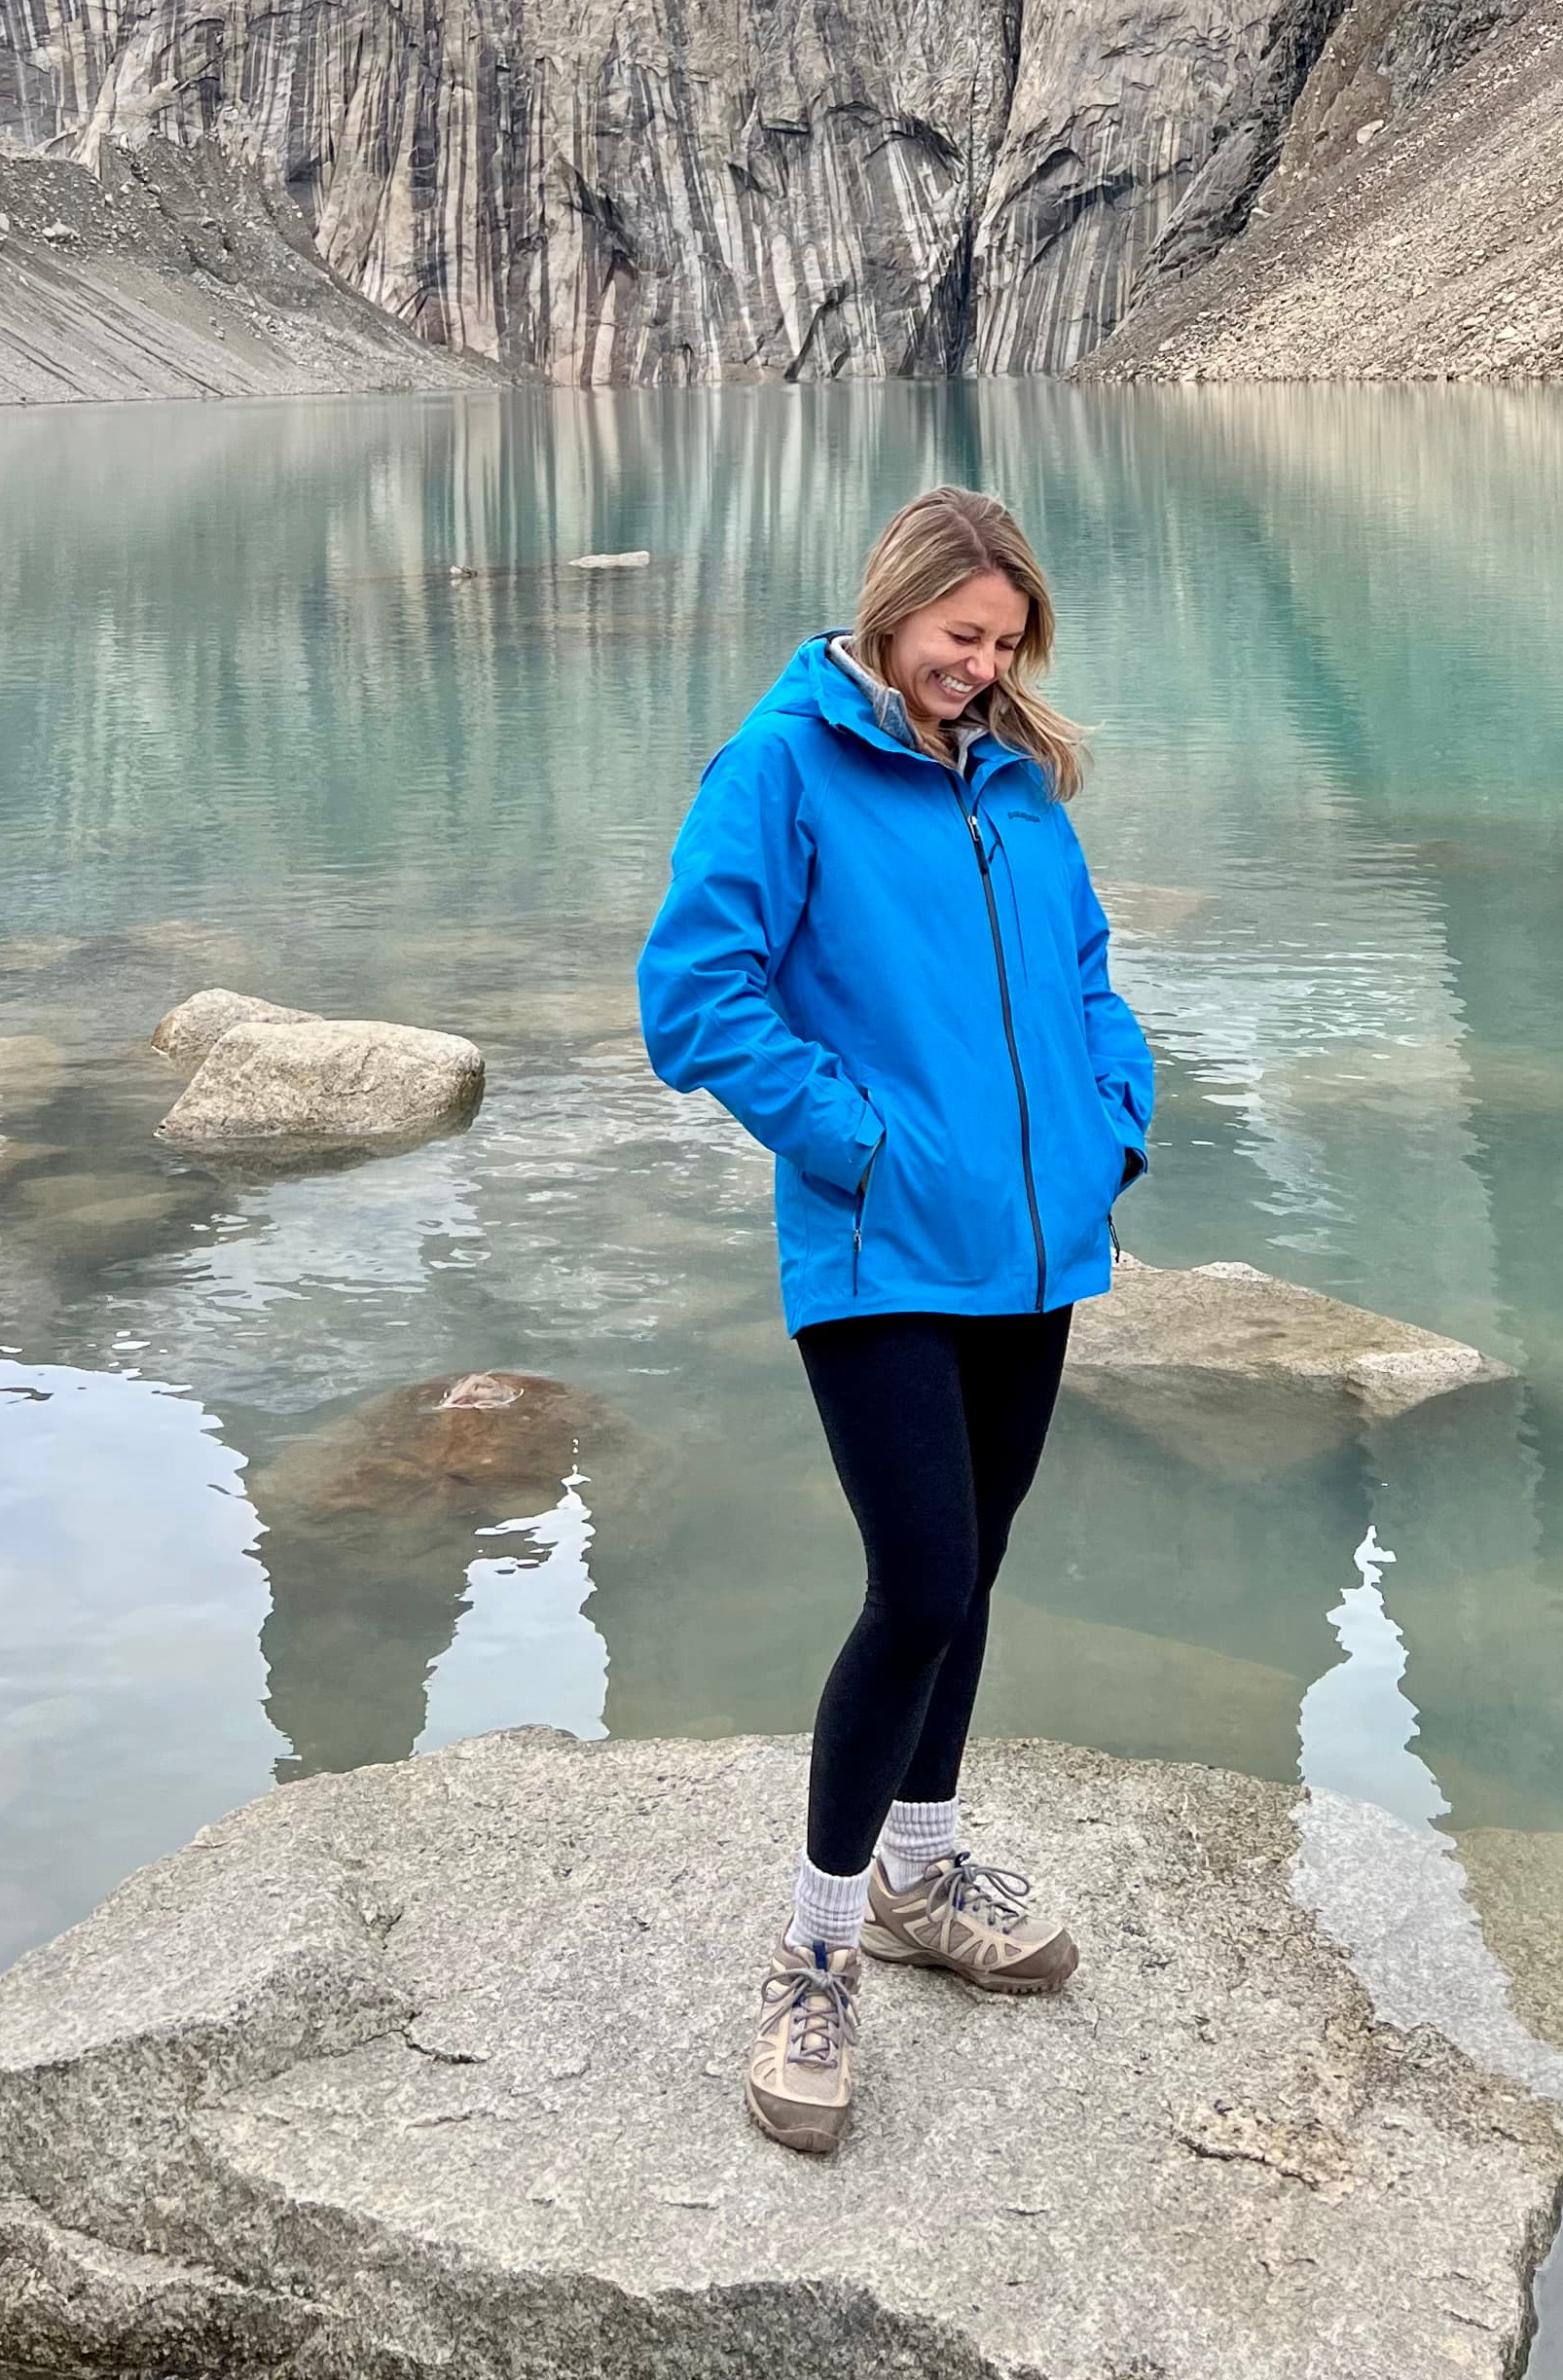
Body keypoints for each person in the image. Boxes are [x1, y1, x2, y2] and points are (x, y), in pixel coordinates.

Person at [637, 484, 1155, 2157]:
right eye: (958, 639)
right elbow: (693, 996)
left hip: (1033, 1249)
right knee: (919, 1579)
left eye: (1006, 646)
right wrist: (858, 1143)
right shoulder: (784, 763)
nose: (980, 670)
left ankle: (926, 1871)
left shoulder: (1020, 782)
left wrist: (1113, 1113)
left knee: (977, 1572)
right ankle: (814, 1947)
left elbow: (1085, 975)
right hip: (880, 1252)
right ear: (893, 612)